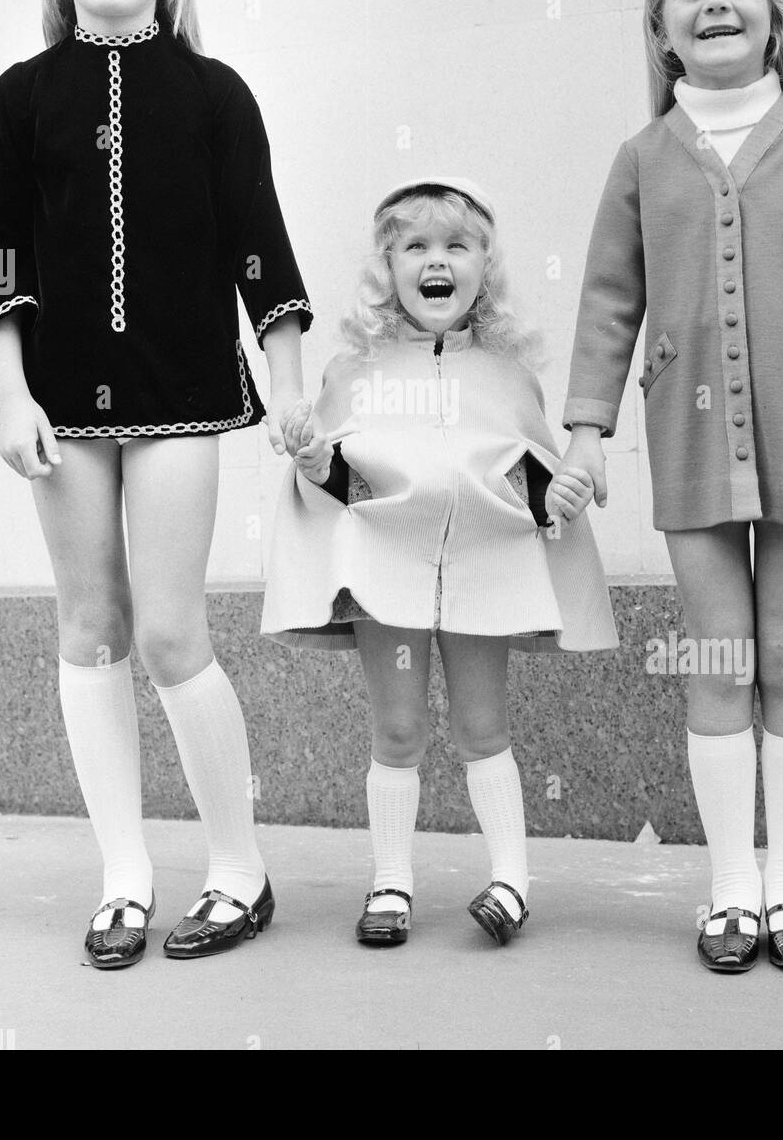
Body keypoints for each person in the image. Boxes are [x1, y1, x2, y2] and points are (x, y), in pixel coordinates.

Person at [0, 0, 312, 969]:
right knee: (88, 625)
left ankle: (238, 868)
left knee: (167, 632)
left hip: (181, 397)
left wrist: (290, 384)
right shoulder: (21, 96)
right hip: (57, 406)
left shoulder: (213, 95)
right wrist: (10, 399)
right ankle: (122, 874)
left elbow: (261, 251)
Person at [558, 0, 783, 972]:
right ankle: (729, 892)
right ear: (658, 29)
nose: (714, 2)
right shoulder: (641, 157)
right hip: (689, 442)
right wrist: (584, 429)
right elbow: (609, 302)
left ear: (773, 14)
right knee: (717, 658)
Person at [261, 178, 618, 947]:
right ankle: (391, 883)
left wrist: (559, 497)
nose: (437, 260)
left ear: (485, 264)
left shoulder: (505, 375)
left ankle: (512, 881)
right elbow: (343, 487)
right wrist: (316, 456)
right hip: (388, 575)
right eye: (415, 246)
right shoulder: (354, 374)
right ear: (387, 267)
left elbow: (525, 478)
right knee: (397, 731)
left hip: (481, 570)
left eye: (457, 245)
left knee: (484, 726)